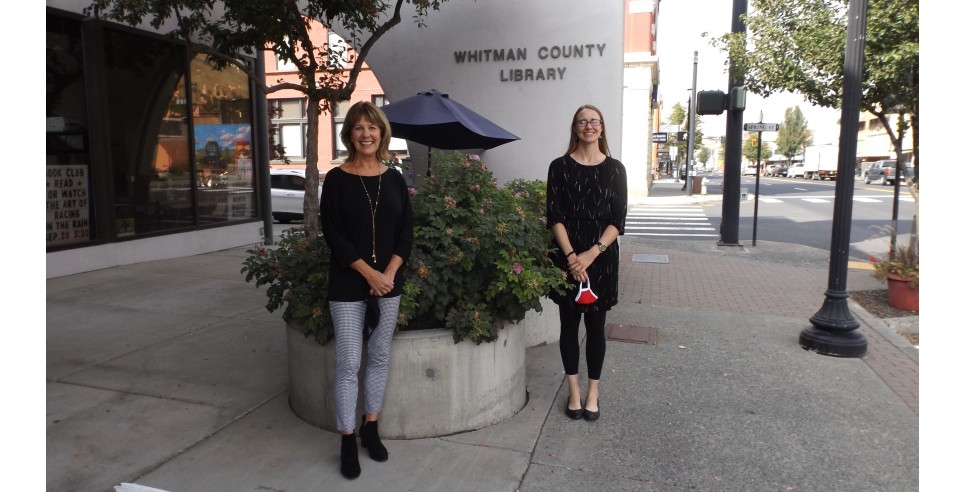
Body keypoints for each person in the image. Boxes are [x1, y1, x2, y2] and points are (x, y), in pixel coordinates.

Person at [320, 101, 413, 479]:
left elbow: (406, 233)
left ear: (382, 133)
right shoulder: (337, 179)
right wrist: (369, 275)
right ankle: (346, 438)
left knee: (378, 357)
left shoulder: (394, 179)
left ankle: (370, 427)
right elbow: (334, 235)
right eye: (358, 128)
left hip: (389, 284)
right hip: (347, 284)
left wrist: (387, 274)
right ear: (349, 135)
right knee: (347, 363)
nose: (366, 134)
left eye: (372, 127)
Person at [545, 104, 627, 422]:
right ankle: (574, 392)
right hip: (567, 256)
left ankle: (593, 392)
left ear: (602, 128)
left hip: (601, 258)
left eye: (594, 121)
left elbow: (617, 219)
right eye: (582, 121)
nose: (589, 125)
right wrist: (571, 258)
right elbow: (555, 216)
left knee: (595, 328)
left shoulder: (616, 169)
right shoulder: (559, 166)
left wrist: (591, 254)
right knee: (568, 326)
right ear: (575, 129)